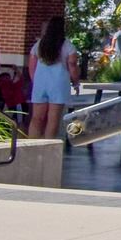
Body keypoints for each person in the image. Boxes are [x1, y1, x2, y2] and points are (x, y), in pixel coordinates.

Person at [26, 14, 79, 143]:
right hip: (58, 84)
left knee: (37, 118)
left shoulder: (39, 44)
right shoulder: (68, 46)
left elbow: (31, 64)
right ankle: (47, 146)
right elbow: (72, 66)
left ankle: (32, 145)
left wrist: (35, 80)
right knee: (53, 119)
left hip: (40, 83)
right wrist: (75, 82)